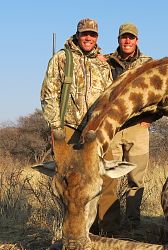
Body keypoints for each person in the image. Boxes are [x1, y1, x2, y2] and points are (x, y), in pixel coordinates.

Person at [40, 18, 119, 236]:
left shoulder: (103, 64)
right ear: (77, 35)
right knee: (70, 183)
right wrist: (56, 129)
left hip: (97, 131)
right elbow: (49, 94)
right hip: (69, 128)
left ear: (97, 37)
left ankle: (109, 231)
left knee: (107, 178)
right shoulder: (61, 58)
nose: (88, 38)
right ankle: (76, 231)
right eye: (85, 34)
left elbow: (110, 98)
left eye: (92, 35)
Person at [104, 23, 153, 231]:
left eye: (131, 38)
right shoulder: (105, 62)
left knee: (136, 178)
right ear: (118, 39)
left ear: (137, 41)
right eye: (124, 37)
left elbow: (159, 92)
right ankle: (110, 223)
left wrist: (150, 119)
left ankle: (134, 222)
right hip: (113, 129)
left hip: (138, 128)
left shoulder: (148, 64)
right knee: (109, 179)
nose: (127, 41)